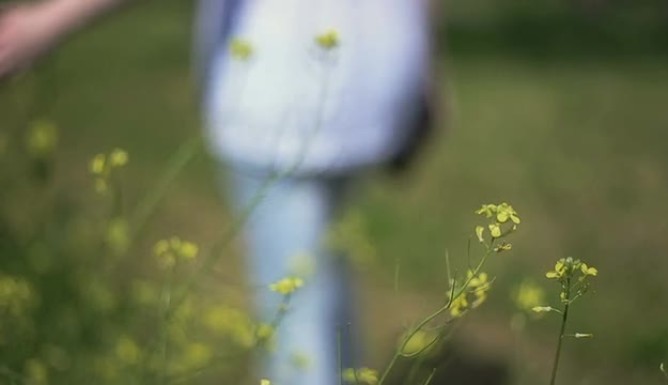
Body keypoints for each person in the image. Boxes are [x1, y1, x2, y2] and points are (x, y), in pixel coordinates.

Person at [0, 1, 433, 384]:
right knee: (325, 287)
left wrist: (44, 22)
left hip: (281, 94)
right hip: (377, 83)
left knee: (300, 324)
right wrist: (427, 72)